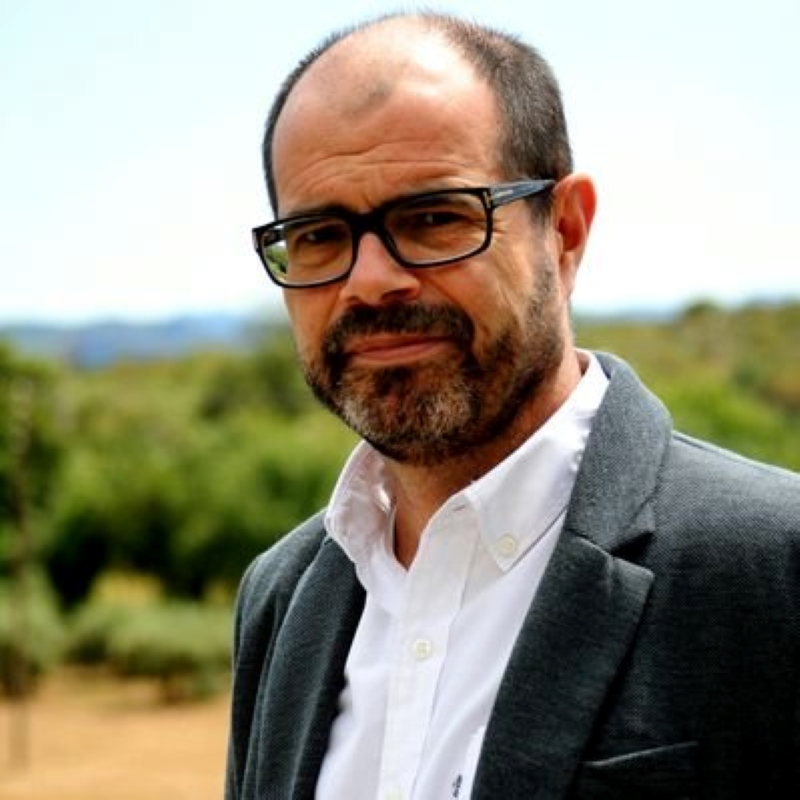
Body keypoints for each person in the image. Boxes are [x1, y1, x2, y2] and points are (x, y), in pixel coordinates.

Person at [225, 12, 800, 800]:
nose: (370, 281)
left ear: (565, 229)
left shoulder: (773, 569)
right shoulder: (282, 596)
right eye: (319, 234)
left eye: (434, 218)